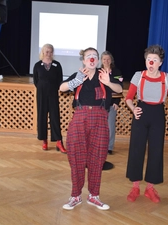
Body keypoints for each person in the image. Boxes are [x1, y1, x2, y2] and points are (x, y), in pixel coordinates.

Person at [59, 47, 123, 210]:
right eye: (89, 56)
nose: (92, 58)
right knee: (76, 158)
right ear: (83, 60)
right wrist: (76, 81)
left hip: (100, 119)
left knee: (97, 158)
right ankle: (75, 196)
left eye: (95, 56)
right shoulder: (78, 74)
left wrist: (108, 82)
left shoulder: (104, 75)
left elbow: (120, 89)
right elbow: (62, 88)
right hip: (80, 118)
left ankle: (94, 196)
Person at [125, 44, 168, 203]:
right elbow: (128, 98)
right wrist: (134, 109)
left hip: (157, 115)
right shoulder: (138, 76)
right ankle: (135, 187)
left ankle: (150, 188)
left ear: (160, 62)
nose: (151, 62)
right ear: (145, 60)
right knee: (136, 149)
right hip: (141, 113)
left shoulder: (167, 78)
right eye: (149, 59)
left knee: (156, 151)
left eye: (155, 60)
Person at [33, 43, 66, 153]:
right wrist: (43, 87)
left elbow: (59, 80)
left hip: (53, 93)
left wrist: (52, 88)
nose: (49, 53)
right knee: (42, 116)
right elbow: (36, 81)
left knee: (55, 116)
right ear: (43, 52)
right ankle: (44, 141)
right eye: (47, 51)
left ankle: (59, 142)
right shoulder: (37, 65)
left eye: (51, 51)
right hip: (41, 93)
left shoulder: (57, 65)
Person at [101, 51, 123, 155]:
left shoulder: (117, 72)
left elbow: (120, 87)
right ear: (101, 61)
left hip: (112, 103)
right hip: (100, 104)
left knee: (110, 126)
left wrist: (117, 102)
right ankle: (100, 145)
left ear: (111, 60)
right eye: (104, 59)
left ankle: (109, 147)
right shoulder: (98, 72)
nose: (106, 61)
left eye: (108, 59)